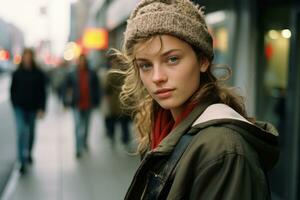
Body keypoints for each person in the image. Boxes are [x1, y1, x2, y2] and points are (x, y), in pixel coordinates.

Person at [109, 0, 280, 199]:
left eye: (172, 59)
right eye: (145, 65)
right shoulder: (163, 128)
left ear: (203, 60)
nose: (157, 77)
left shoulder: (222, 150)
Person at [10, 48, 47, 174]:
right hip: (20, 108)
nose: (27, 59)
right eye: (25, 56)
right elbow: (12, 90)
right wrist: (14, 104)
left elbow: (43, 92)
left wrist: (42, 108)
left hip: (33, 108)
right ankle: (22, 160)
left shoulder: (38, 74)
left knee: (31, 133)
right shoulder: (17, 73)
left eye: (29, 56)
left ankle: (29, 153)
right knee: (21, 131)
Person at [64, 54, 101, 158]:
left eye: (83, 60)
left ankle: (84, 142)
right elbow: (66, 88)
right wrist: (66, 101)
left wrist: (97, 101)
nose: (82, 63)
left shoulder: (92, 73)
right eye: (80, 61)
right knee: (77, 126)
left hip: (89, 103)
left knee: (86, 126)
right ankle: (78, 148)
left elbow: (97, 88)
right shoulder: (72, 74)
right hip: (76, 103)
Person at [103, 62, 132, 150]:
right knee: (124, 123)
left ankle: (113, 138)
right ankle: (125, 141)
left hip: (114, 103)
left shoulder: (110, 74)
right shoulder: (125, 74)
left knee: (114, 122)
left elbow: (106, 88)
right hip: (122, 102)